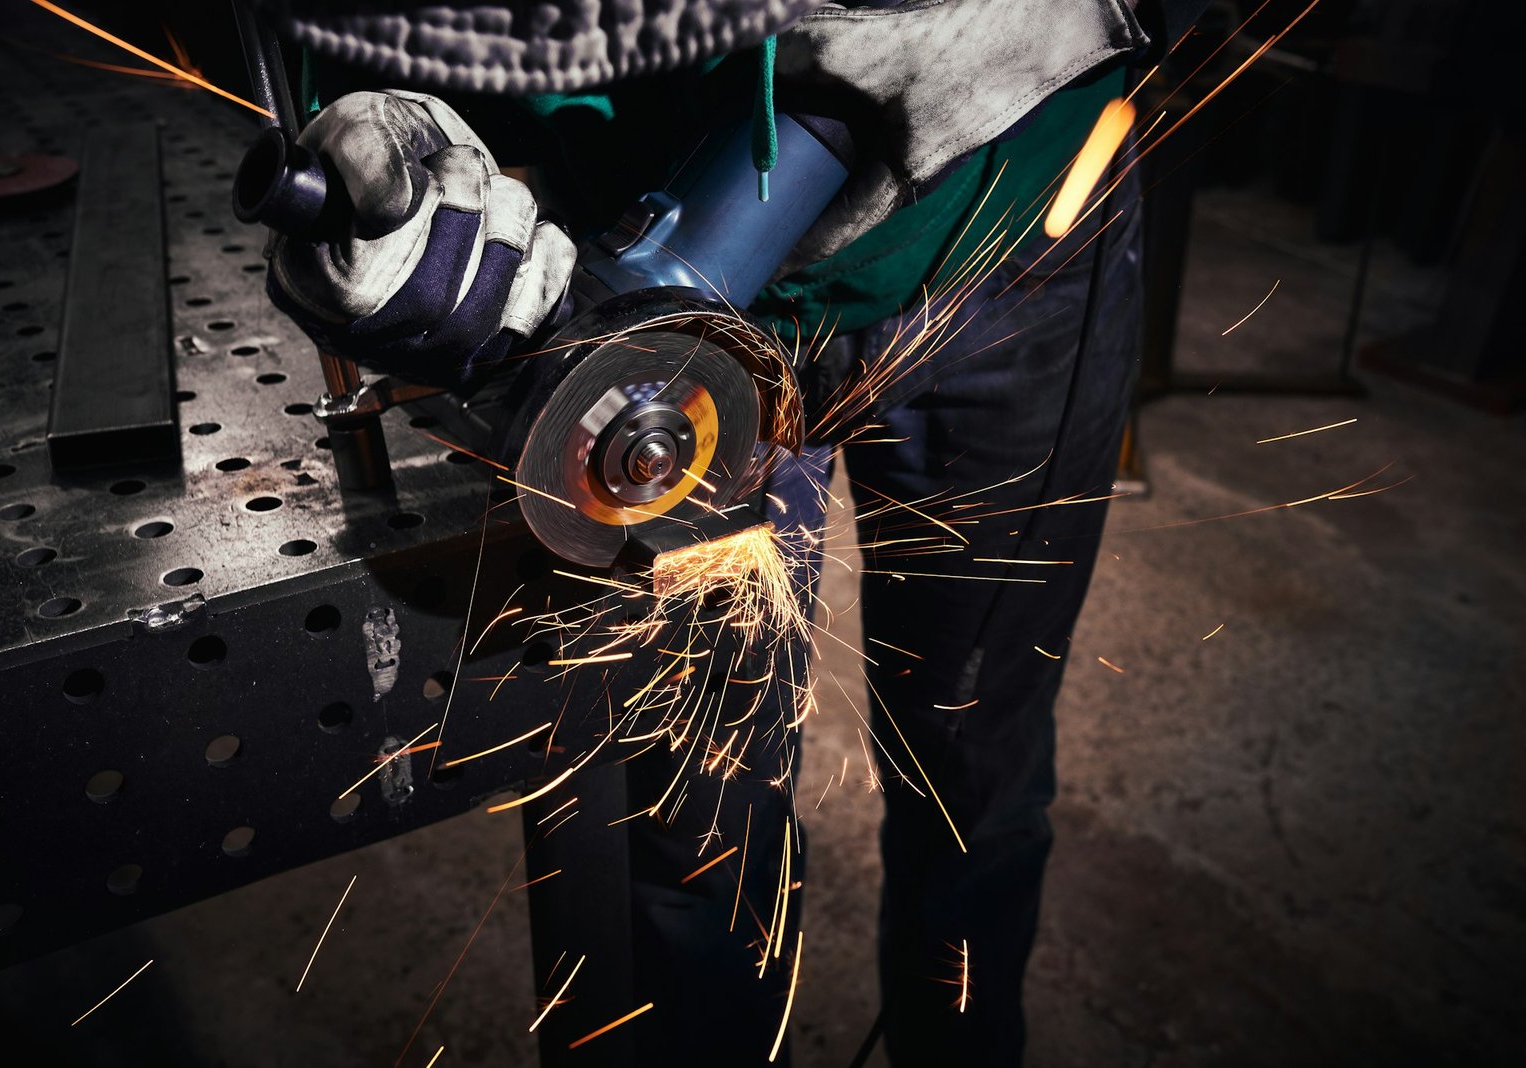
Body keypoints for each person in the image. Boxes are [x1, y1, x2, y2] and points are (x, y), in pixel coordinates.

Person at [252, 2, 1205, 1062]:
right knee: (690, 811)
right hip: (671, 290)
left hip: (1022, 231)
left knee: (975, 761)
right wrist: (372, 144)